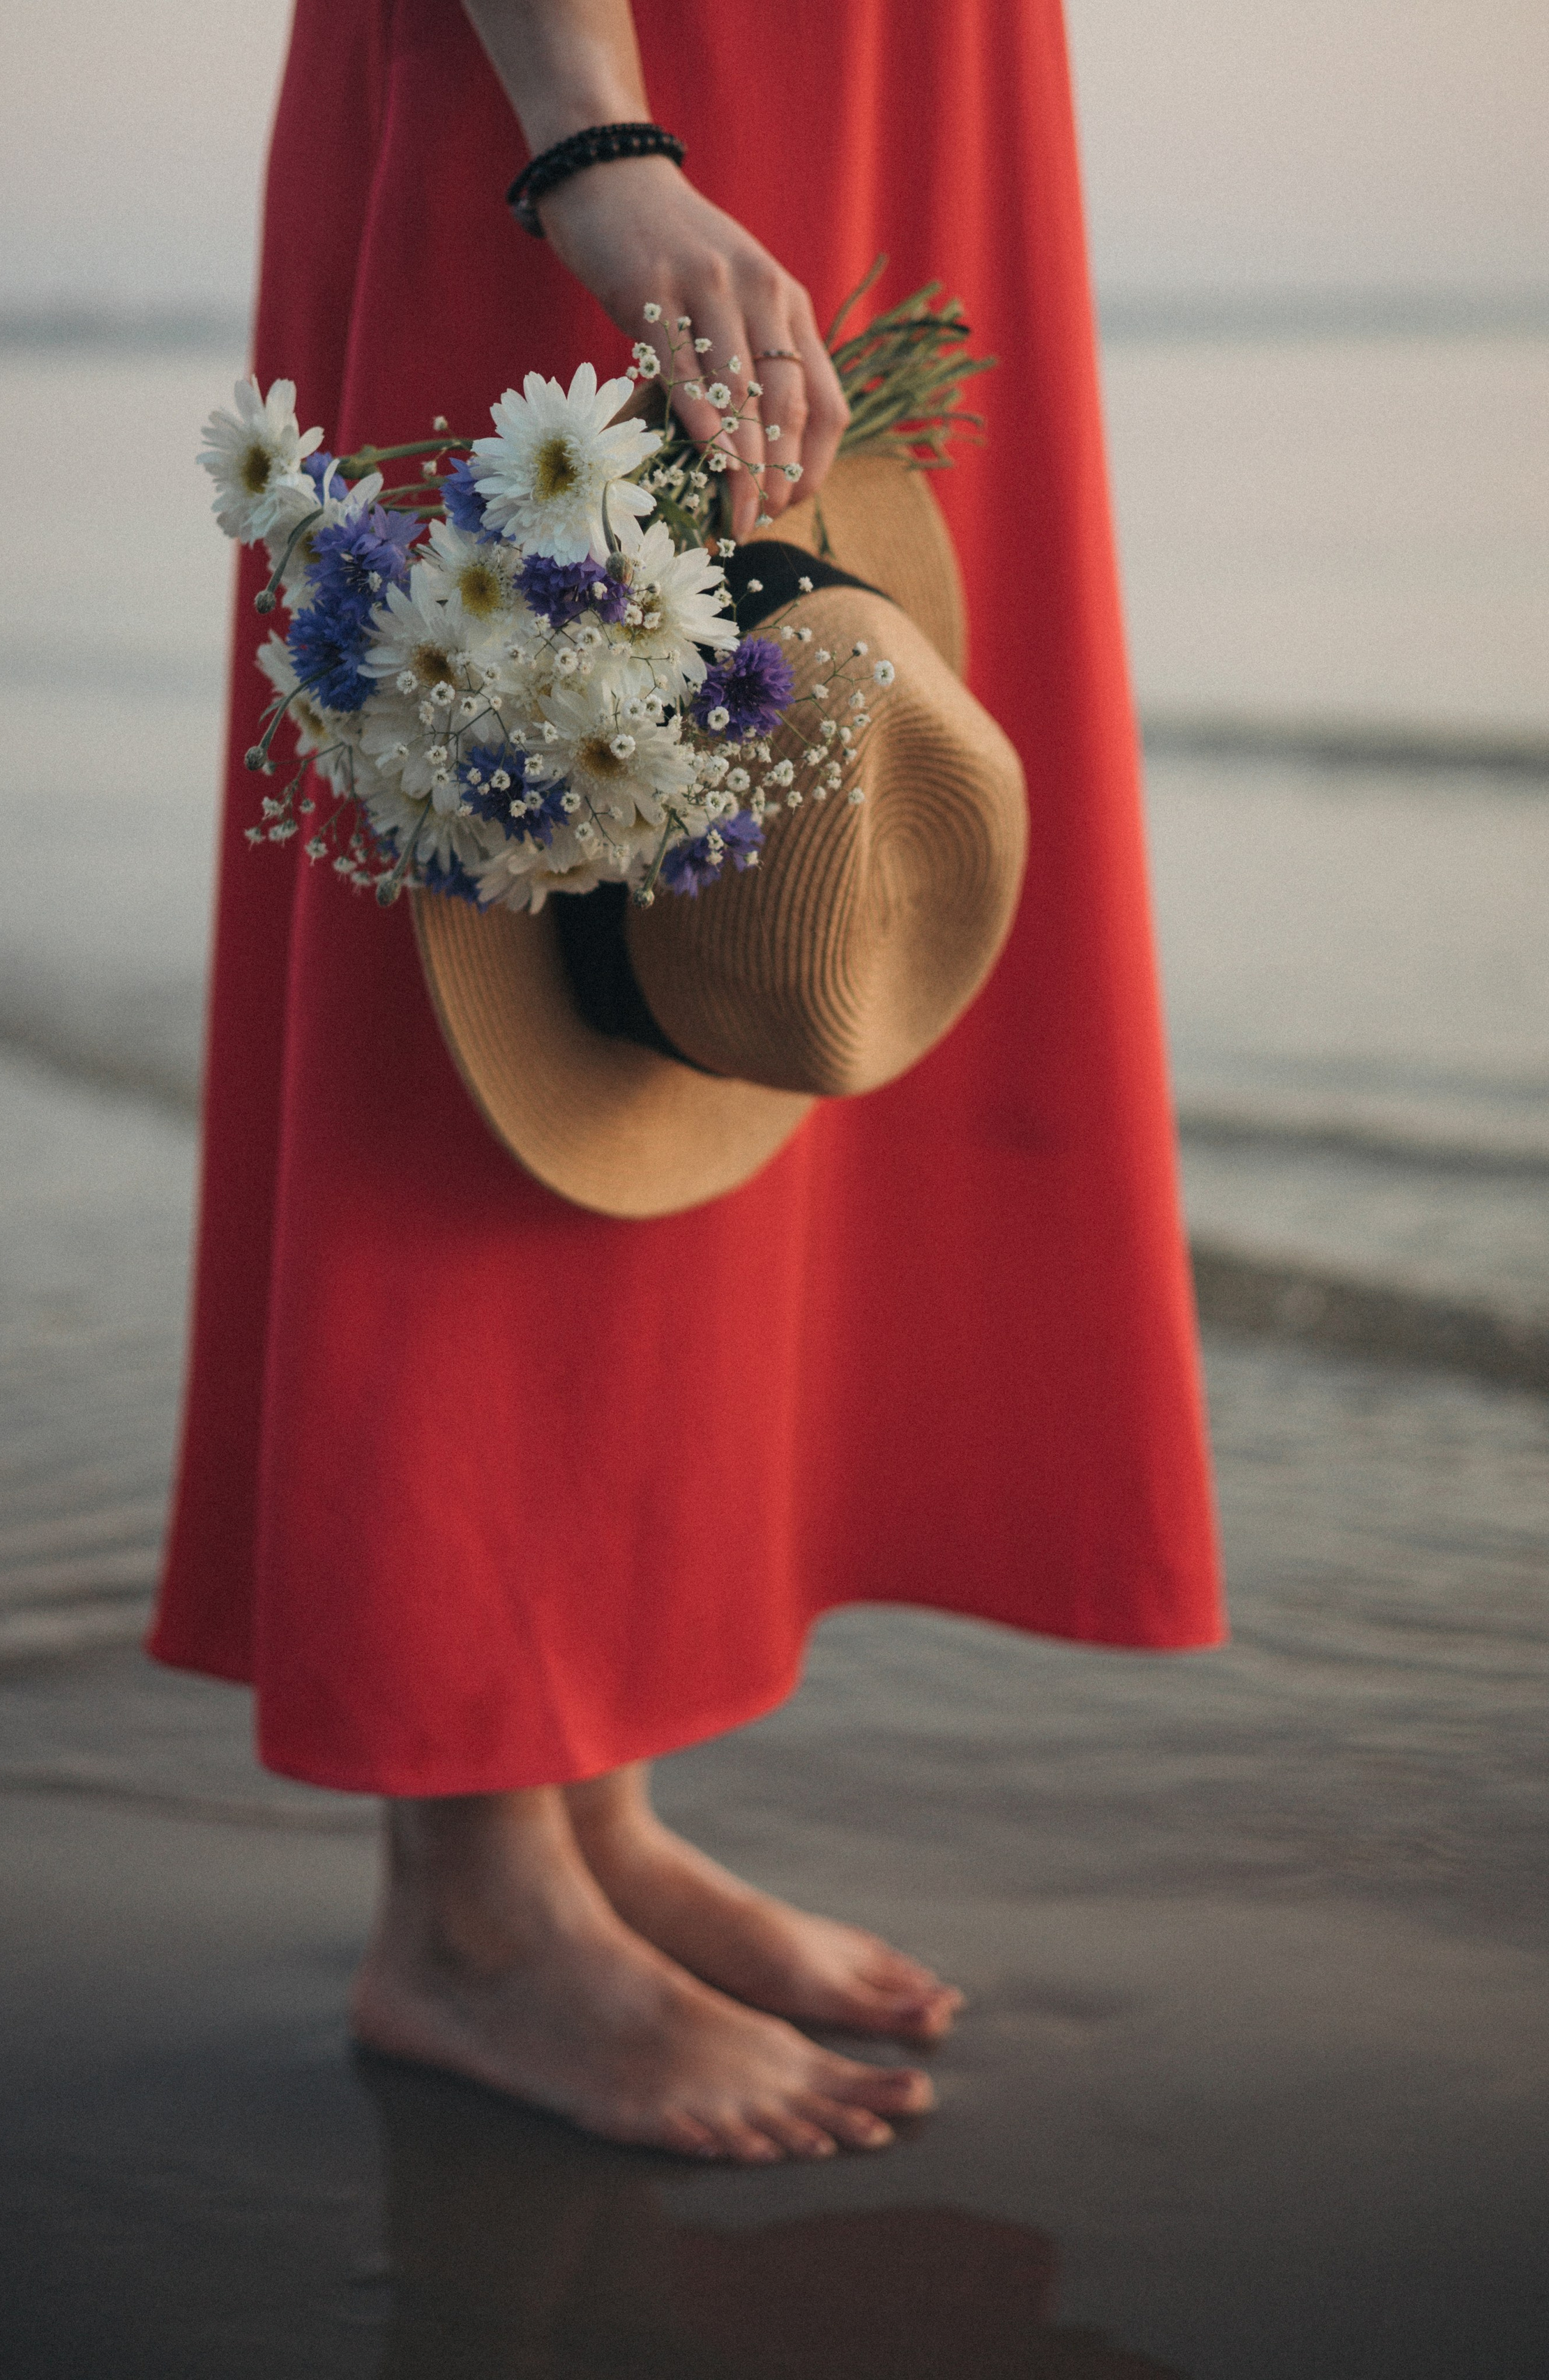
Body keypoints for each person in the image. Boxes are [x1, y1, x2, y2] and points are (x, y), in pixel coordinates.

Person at [151, 0, 1223, 2165]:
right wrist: (589, 136)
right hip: (614, 65)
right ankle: (471, 1903)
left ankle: (588, 1815)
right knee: (503, 910)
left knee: (732, 900)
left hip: (899, 75)